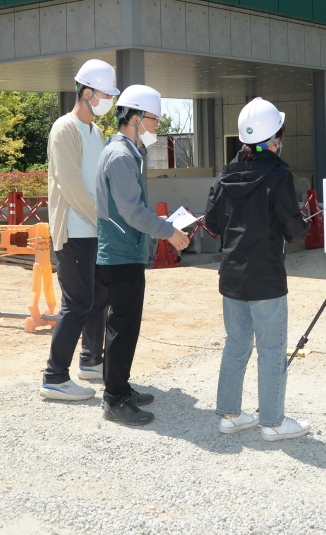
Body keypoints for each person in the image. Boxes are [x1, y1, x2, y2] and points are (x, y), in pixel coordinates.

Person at [203, 98, 310, 442]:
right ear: (275, 137)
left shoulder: (226, 174)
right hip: (266, 277)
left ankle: (230, 416)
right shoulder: (278, 175)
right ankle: (273, 422)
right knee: (272, 350)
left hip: (232, 275)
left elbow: (212, 223)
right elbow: (294, 229)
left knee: (236, 345)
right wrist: (303, 221)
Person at [94, 84, 191, 425]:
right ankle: (114, 399)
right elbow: (132, 212)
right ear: (135, 118)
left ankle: (120, 388)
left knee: (125, 325)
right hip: (121, 254)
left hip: (123, 251)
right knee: (122, 327)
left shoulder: (124, 152)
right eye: (153, 120)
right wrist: (169, 232)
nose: (156, 128)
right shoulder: (121, 156)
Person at [40, 60, 119, 402]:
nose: (109, 101)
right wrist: (104, 219)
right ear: (87, 93)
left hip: (95, 230)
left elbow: (99, 180)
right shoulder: (64, 128)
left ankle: (91, 361)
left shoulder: (95, 131)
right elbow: (69, 184)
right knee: (78, 303)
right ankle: (54, 377)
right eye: (105, 95)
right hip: (73, 231)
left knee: (100, 299)